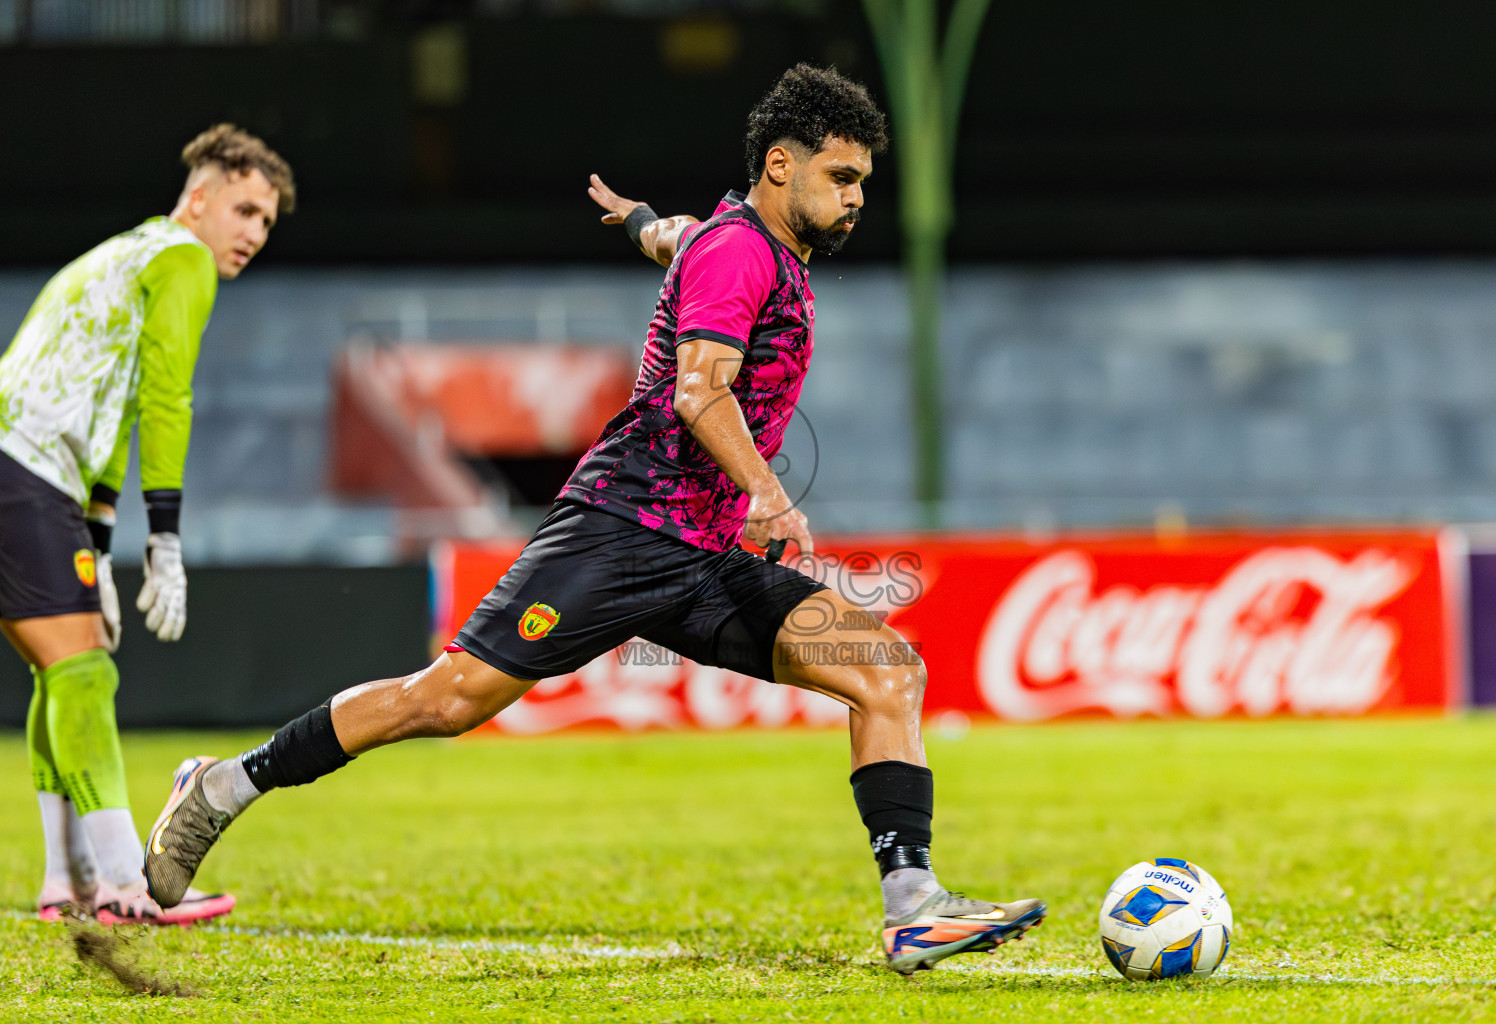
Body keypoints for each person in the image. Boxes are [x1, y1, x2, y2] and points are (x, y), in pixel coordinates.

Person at [143, 66, 1046, 972]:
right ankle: (223, 785)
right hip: (619, 529)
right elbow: (701, 391)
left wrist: (642, 222)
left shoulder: (741, 244)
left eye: (862, 184)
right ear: (781, 165)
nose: (856, 200)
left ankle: (914, 905)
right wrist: (771, 494)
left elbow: (679, 239)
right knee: (448, 700)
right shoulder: (743, 252)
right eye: (841, 179)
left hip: (698, 556)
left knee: (884, 671)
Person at [0, 124, 294, 924]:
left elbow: (107, 411)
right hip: (19, 467)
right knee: (85, 670)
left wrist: (94, 546)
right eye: (244, 210)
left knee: (56, 666)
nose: (253, 234)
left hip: (28, 467)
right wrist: (163, 539)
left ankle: (69, 880)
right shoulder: (185, 259)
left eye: (266, 222)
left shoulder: (122, 255)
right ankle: (128, 880)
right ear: (198, 198)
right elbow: (164, 400)